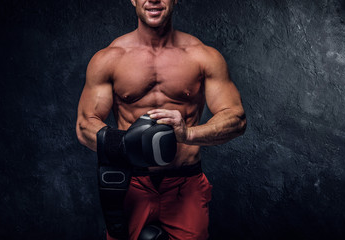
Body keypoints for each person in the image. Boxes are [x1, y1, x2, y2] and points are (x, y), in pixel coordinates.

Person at [76, 0, 247, 239]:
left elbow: (236, 119)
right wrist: (128, 144)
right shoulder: (109, 59)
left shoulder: (203, 56)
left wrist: (188, 134)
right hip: (131, 185)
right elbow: (85, 125)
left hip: (184, 185)